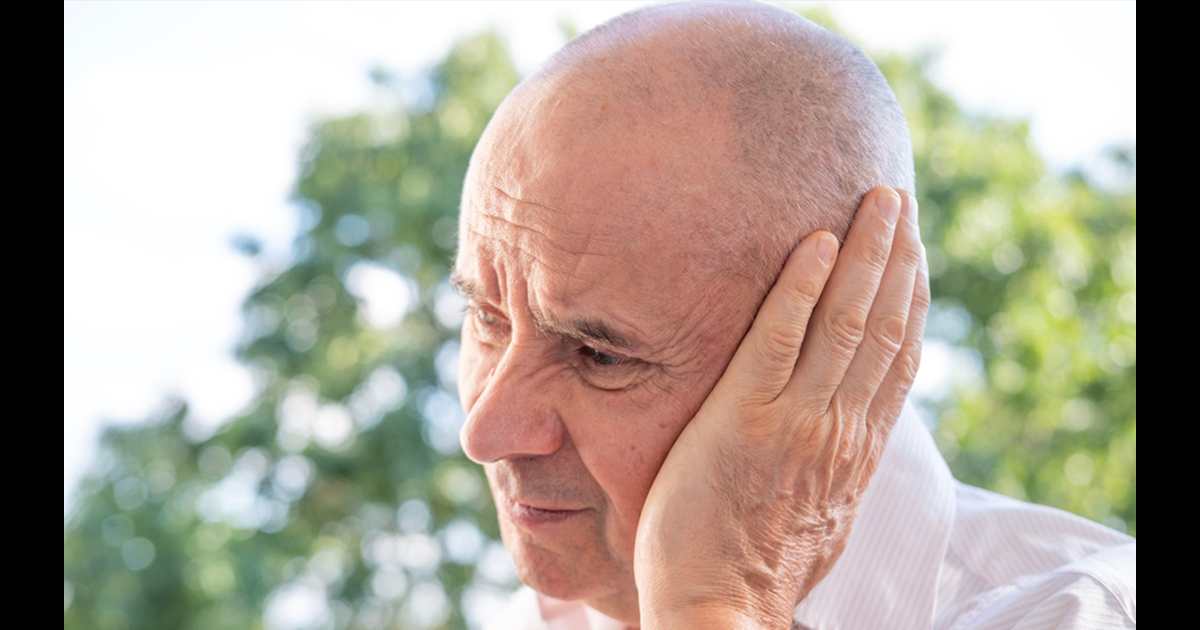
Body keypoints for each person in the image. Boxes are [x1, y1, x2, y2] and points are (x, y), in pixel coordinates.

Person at [451, 3, 1136, 629]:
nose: (484, 432)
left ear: (840, 344)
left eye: (600, 356)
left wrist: (721, 603)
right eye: (487, 317)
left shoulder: (1082, 611)